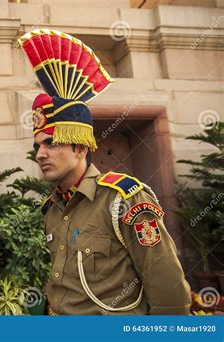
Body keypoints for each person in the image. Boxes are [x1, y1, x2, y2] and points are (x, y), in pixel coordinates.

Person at [18, 29, 191, 315]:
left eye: (51, 143)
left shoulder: (124, 200)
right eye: (37, 146)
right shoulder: (52, 209)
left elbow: (168, 289)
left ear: (81, 148)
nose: (40, 154)